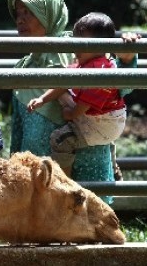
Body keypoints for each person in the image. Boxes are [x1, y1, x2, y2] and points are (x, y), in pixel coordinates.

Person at [7, 0, 138, 203]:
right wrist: (15, 168)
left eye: (28, 12)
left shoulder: (81, 48)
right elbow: (18, 127)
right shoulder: (24, 65)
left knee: (90, 223)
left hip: (89, 163)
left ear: (48, 13)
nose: (20, 19)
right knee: (43, 229)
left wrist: (127, 57)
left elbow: (121, 87)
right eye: (17, 13)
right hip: (41, 173)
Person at [27, 12, 127, 176]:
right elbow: (63, 83)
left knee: (60, 140)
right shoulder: (85, 64)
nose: (77, 48)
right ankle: (112, 157)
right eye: (76, 42)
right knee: (64, 93)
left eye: (84, 44)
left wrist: (70, 114)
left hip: (102, 123)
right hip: (104, 120)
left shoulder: (100, 70)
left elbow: (84, 104)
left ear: (102, 46)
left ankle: (65, 184)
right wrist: (42, 100)